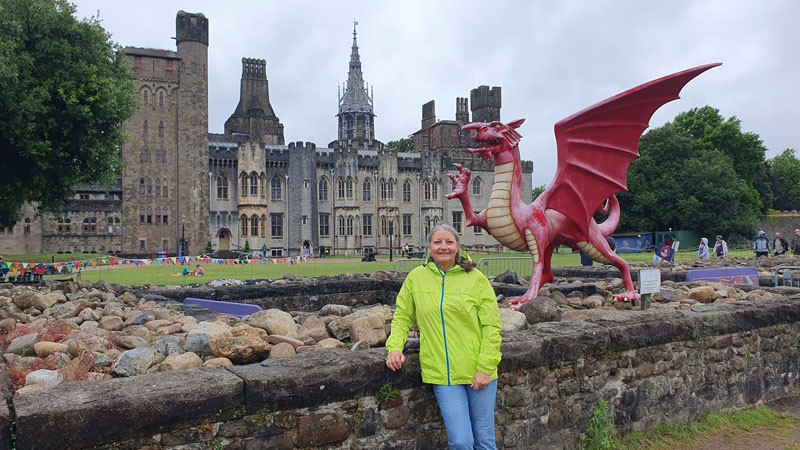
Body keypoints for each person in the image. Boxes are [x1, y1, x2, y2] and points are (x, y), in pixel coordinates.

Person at [385, 224, 502, 449]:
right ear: (429, 246)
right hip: (442, 372)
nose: (443, 247)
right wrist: (395, 348)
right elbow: (402, 316)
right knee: (461, 441)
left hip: (477, 369)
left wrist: (485, 367)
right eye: (438, 242)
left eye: (449, 242)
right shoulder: (416, 278)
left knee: (484, 441)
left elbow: (491, 326)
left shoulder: (476, 279)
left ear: (457, 246)